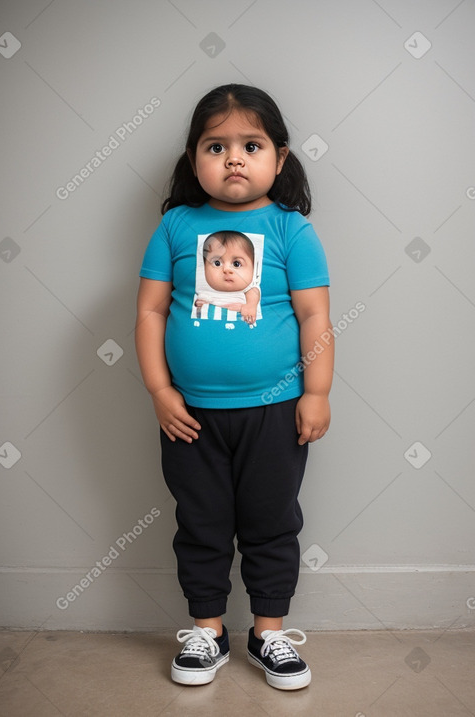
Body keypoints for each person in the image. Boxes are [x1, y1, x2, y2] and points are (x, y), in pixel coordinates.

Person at [135, 83, 333, 690]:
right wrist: (161, 393)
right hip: (190, 415)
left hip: (275, 413)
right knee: (201, 521)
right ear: (194, 158)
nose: (234, 158)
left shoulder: (290, 230)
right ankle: (208, 631)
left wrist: (317, 392)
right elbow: (149, 313)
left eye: (251, 144)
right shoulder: (175, 226)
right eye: (215, 146)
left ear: (281, 155)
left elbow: (315, 317)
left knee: (272, 520)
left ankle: (269, 632)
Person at [195, 230, 260, 324]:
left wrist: (250, 306)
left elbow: (254, 292)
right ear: (204, 269)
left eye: (236, 264)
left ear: (252, 269)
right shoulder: (205, 291)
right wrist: (199, 303)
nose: (227, 270)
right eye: (217, 263)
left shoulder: (247, 290)